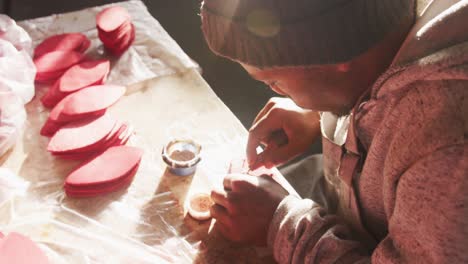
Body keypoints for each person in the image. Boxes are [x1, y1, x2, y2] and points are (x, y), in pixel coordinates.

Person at [201, 0, 468, 262]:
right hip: (342, 205)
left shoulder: (448, 155)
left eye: (274, 81)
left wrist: (280, 223)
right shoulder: (387, 28)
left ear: (334, 57)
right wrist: (322, 113)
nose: (277, 91)